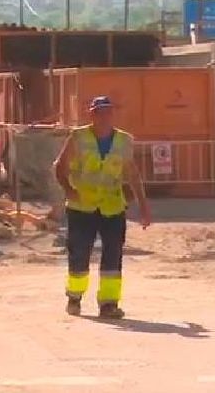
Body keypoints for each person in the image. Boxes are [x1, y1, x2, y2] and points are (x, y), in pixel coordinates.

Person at [52, 95, 151, 319]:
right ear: (92, 114)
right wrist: (68, 189)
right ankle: (74, 298)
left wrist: (144, 207)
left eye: (108, 111)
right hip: (81, 206)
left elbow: (132, 175)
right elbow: (59, 167)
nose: (104, 116)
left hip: (112, 207)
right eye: (99, 112)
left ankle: (108, 304)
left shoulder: (124, 141)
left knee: (113, 255)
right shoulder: (78, 137)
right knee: (79, 252)